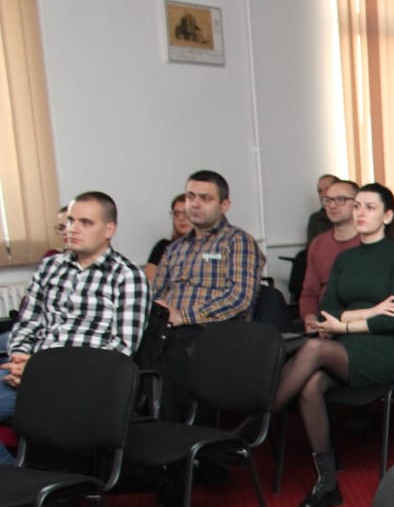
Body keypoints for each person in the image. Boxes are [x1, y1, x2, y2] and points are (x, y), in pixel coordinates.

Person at [273, 182, 394, 507]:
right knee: (310, 385)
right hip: (344, 348)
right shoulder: (345, 259)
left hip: (382, 352)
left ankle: (262, 414)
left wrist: (344, 324)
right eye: (358, 206)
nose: (360, 212)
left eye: (370, 207)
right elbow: (327, 311)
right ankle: (327, 482)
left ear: (387, 216)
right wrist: (368, 311)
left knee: (313, 348)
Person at [0, 192, 150, 465]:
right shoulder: (50, 266)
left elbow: (120, 352)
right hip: (29, 371)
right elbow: (27, 321)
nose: (73, 229)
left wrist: (38, 373)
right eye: (70, 221)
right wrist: (19, 356)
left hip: (78, 380)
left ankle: (19, 482)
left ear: (109, 230)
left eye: (85, 222)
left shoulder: (127, 276)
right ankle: (16, 479)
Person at [152, 170, 266, 418]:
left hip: (215, 332)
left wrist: (183, 316)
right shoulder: (174, 249)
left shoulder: (237, 241)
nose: (195, 203)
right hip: (171, 330)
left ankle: (182, 430)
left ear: (224, 205)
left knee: (171, 353)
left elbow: (240, 298)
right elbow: (156, 294)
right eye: (190, 196)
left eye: (205, 198)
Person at [297, 179, 362, 332]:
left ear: (357, 204)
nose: (332, 205)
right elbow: (309, 293)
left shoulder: (368, 241)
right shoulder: (318, 243)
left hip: (357, 322)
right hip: (323, 321)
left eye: (341, 199)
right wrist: (309, 317)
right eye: (328, 200)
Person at [143, 194, 190, 286]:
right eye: (176, 214)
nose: (181, 218)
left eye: (186, 213)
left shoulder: (209, 248)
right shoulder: (163, 247)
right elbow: (149, 280)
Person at [305, 173, 338, 243]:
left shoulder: (352, 214)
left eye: (327, 189)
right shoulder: (316, 219)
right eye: (320, 191)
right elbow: (312, 247)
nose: (323, 195)